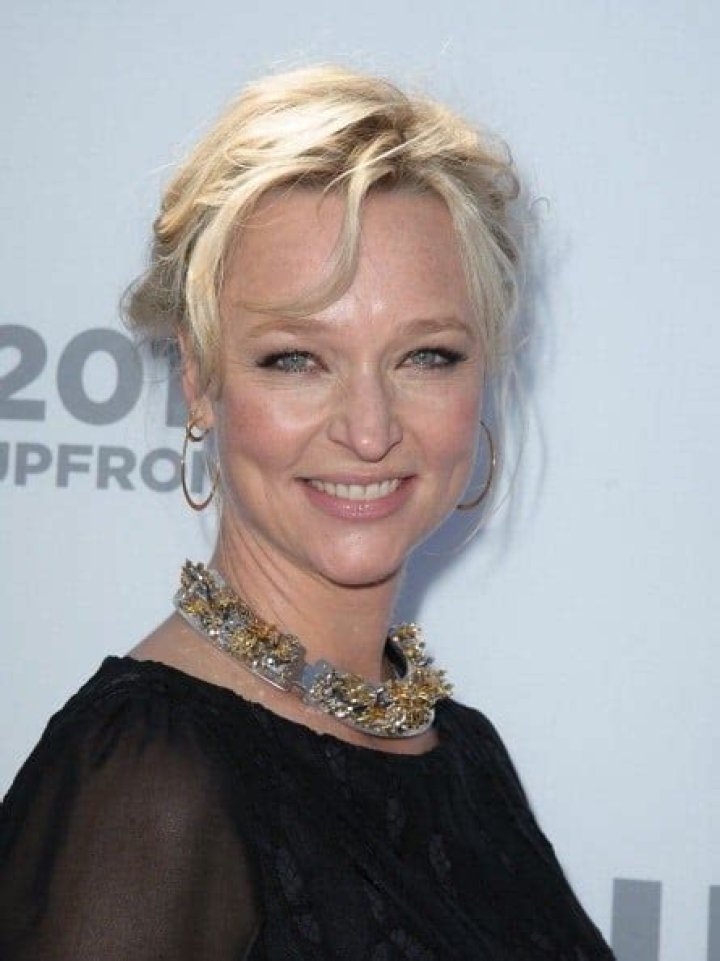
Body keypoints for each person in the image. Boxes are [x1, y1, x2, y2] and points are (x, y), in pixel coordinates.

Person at [0, 64, 615, 960]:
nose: (369, 429)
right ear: (198, 379)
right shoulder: (150, 783)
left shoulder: (461, 752)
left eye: (426, 356)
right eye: (296, 359)